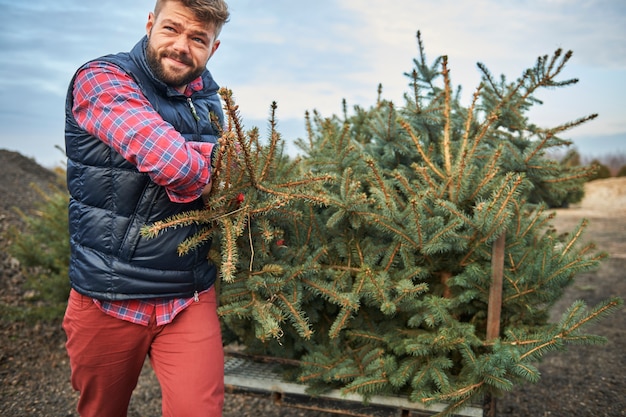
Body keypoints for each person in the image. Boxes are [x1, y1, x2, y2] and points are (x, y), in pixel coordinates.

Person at [62, 1, 230, 416]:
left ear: (215, 47)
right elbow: (176, 166)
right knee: (101, 411)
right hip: (108, 294)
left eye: (197, 38)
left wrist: (208, 163)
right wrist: (209, 162)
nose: (181, 46)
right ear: (150, 24)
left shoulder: (209, 100)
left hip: (188, 295)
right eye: (172, 29)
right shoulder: (101, 78)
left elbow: (235, 176)